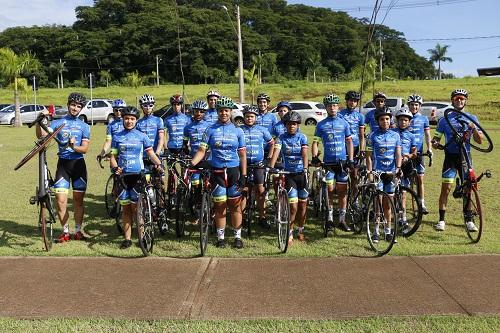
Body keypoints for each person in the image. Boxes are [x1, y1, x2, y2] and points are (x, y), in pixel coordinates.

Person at [191, 96, 247, 249]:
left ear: (230, 112)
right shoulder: (210, 129)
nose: (224, 113)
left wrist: (244, 175)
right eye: (221, 110)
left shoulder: (238, 130)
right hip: (217, 172)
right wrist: (192, 163)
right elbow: (202, 150)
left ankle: (237, 237)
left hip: (234, 171)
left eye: (227, 111)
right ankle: (221, 237)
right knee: (220, 205)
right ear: (217, 112)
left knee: (235, 206)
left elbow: (242, 155)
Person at [36, 92, 90, 242]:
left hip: (79, 165)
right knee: (60, 201)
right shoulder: (58, 123)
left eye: (78, 106)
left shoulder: (84, 126)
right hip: (63, 166)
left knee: (78, 201)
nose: (75, 108)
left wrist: (74, 146)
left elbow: (85, 149)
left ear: (81, 109)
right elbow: (41, 136)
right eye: (73, 105)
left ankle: (78, 231)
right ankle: (65, 232)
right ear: (68, 105)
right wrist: (41, 119)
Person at [109, 107, 163, 249]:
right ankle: (127, 239)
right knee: (126, 209)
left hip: (138, 176)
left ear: (136, 120)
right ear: (123, 119)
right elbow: (113, 157)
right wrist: (115, 168)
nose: (129, 121)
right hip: (123, 177)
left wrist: (159, 165)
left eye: (132, 119)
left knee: (137, 209)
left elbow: (151, 154)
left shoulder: (142, 136)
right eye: (126, 118)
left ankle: (142, 236)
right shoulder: (117, 137)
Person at [432, 89, 483, 232]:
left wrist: (473, 128)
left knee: (468, 189)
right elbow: (436, 139)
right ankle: (441, 220)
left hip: (465, 157)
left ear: (466, 100)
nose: (459, 101)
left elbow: (480, 141)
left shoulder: (472, 118)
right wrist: (435, 144)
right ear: (452, 101)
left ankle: (469, 220)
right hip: (450, 157)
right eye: (456, 99)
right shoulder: (444, 119)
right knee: (446, 188)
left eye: (462, 99)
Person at [311, 93, 354, 232]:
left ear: (338, 106)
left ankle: (342, 219)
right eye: (330, 106)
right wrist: (315, 156)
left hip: (342, 163)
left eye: (335, 105)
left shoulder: (344, 123)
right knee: (329, 191)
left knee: (342, 192)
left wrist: (351, 159)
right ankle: (329, 218)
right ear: (326, 107)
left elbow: (349, 142)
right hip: (329, 164)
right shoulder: (321, 124)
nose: (333, 108)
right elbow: (315, 142)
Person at [269, 111, 309, 244]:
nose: (292, 126)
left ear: (298, 125)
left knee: (303, 206)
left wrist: (305, 168)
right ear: (285, 125)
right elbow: (276, 152)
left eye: (294, 124)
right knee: (293, 206)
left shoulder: (302, 137)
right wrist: (272, 166)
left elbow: (304, 154)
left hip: (301, 174)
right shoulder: (281, 137)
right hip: (289, 175)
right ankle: (290, 232)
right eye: (289, 124)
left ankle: (301, 230)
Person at [365, 108, 402, 243]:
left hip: (391, 173)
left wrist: (398, 168)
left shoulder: (395, 135)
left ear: (390, 119)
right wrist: (370, 172)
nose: (385, 121)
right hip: (377, 172)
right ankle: (375, 231)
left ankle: (387, 231)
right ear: (378, 121)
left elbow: (398, 154)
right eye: (382, 119)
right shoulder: (372, 136)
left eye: (387, 119)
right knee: (377, 203)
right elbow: (368, 157)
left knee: (388, 204)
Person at [240, 105, 274, 229]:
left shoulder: (262, 130)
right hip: (243, 165)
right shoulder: (239, 130)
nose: (249, 119)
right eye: (247, 116)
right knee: (244, 191)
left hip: (259, 164)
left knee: (261, 190)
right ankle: (242, 218)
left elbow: (272, 144)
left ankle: (262, 217)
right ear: (244, 117)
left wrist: (268, 159)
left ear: (256, 117)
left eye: (252, 116)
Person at [183, 100, 211, 211]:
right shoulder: (188, 127)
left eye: (201, 111)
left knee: (209, 183)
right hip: (194, 158)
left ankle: (210, 205)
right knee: (195, 185)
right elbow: (185, 143)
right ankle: (198, 205)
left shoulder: (210, 126)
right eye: (196, 111)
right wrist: (185, 152)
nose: (198, 113)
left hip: (208, 158)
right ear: (192, 111)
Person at [407, 94, 432, 214]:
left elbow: (427, 135)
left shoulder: (424, 119)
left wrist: (430, 148)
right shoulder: (404, 117)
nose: (414, 107)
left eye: (416, 105)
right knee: (403, 179)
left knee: (420, 179)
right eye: (412, 104)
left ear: (420, 106)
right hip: (407, 153)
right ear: (408, 105)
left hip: (420, 153)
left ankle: (421, 203)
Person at [339, 90, 365, 197]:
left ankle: (354, 198)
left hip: (355, 147)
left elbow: (362, 136)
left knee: (354, 175)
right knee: (342, 174)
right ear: (346, 101)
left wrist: (362, 150)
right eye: (350, 100)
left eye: (355, 101)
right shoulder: (340, 114)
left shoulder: (360, 116)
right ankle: (343, 197)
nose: (352, 103)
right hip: (342, 147)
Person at [256, 92, 277, 160]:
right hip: (257, 147)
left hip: (269, 147)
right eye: (260, 102)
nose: (262, 104)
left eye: (264, 102)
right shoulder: (254, 116)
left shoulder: (272, 117)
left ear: (268, 104)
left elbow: (275, 132)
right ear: (258, 103)